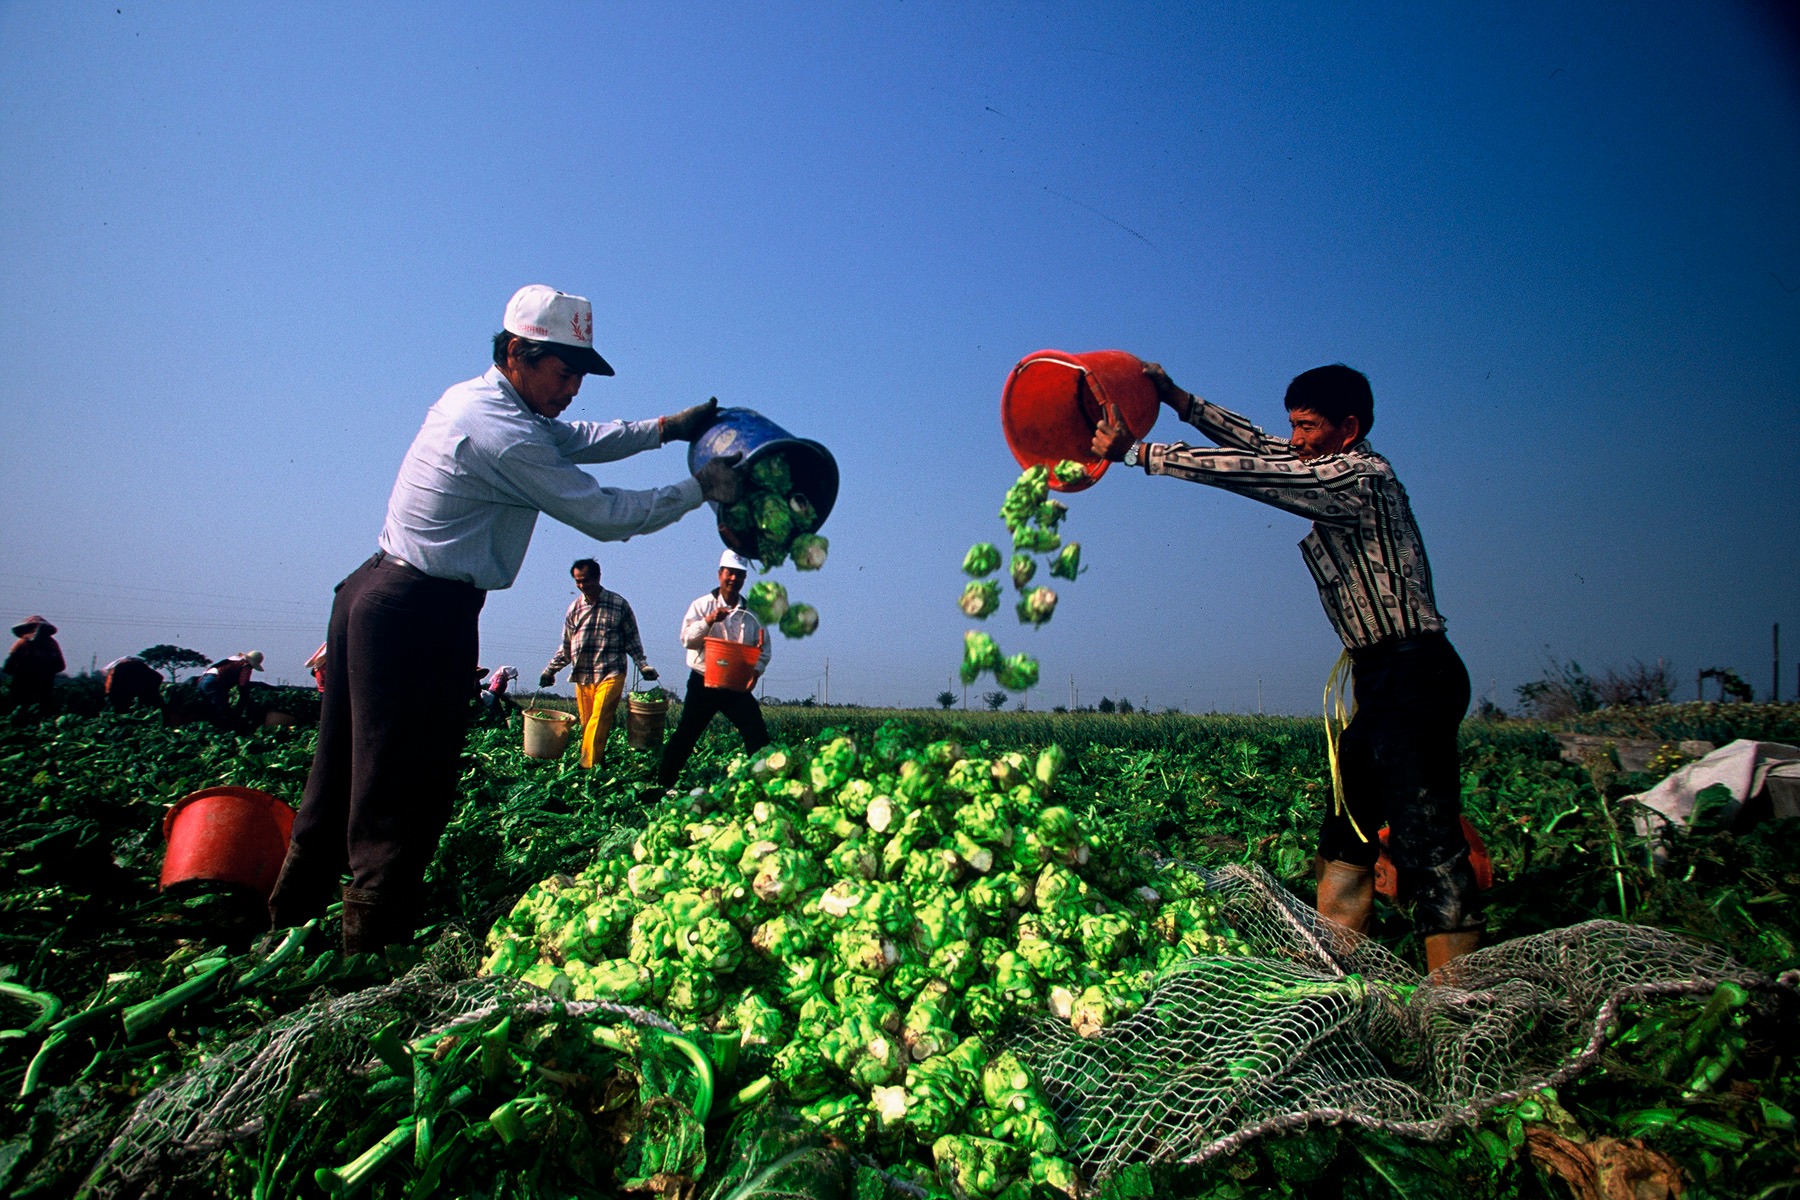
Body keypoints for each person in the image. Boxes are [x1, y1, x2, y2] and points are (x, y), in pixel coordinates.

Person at [267, 284, 742, 954]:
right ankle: (368, 954)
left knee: (345, 772)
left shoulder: (487, 399)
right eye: (564, 370)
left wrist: (666, 429)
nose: (573, 387)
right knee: (406, 783)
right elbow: (605, 514)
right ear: (518, 352)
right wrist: (701, 488)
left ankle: (289, 921)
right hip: (416, 613)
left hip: (374, 594)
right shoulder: (504, 432)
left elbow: (575, 438)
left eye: (580, 373)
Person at [1092, 362, 1480, 970]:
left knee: (1426, 838)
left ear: (1347, 428)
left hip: (1415, 674)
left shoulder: (1359, 478)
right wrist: (1177, 399)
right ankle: (1339, 965)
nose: (1296, 439)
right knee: (1348, 823)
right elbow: (1258, 446)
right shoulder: (1323, 462)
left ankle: (1456, 995)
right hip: (1381, 680)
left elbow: (1258, 472)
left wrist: (1141, 454)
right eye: (1293, 426)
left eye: (1309, 427)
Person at [659, 550, 772, 787]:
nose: (733, 579)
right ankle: (663, 782)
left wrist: (756, 672)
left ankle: (763, 781)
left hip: (736, 684)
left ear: (744, 579)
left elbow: (764, 648)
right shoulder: (702, 605)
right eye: (729, 573)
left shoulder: (753, 612)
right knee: (687, 732)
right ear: (720, 574)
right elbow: (687, 640)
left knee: (755, 730)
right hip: (704, 680)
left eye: (739, 575)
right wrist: (709, 620)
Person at [540, 559, 659, 769]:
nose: (581, 586)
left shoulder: (618, 604)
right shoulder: (574, 609)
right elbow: (567, 646)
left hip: (611, 671)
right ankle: (597, 762)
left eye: (585, 581)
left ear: (597, 578)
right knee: (588, 723)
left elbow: (632, 639)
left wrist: (643, 665)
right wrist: (550, 670)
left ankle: (586, 767)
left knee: (599, 717)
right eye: (577, 582)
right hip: (583, 674)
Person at [5, 616, 65, 711]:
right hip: (43, 685)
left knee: (19, 710)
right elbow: (60, 666)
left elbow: (8, 667)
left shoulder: (22, 643)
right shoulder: (52, 644)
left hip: (22, 685)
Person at [197, 651, 264, 724]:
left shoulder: (231, 661)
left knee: (208, 708)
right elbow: (243, 683)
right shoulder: (245, 666)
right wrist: (245, 698)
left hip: (202, 681)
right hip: (213, 682)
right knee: (224, 712)